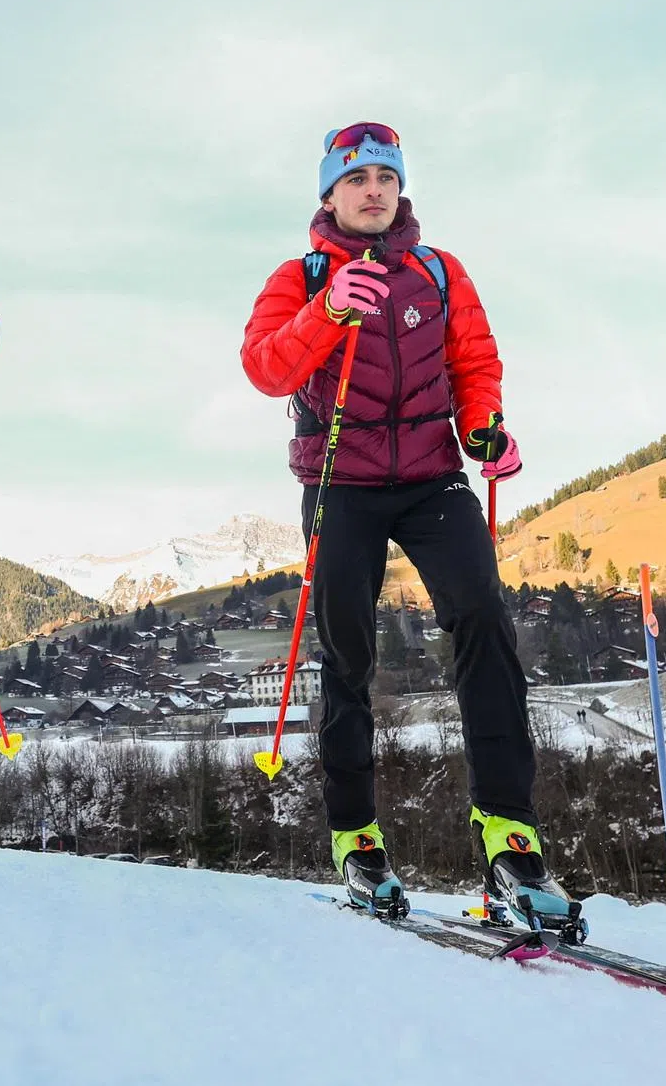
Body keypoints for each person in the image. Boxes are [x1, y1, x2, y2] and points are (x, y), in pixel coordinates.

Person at [241, 122, 577, 930]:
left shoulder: (437, 270)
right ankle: (358, 842)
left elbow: (474, 363)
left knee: (484, 623)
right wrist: (325, 312)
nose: (373, 190)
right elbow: (264, 366)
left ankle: (510, 840)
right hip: (340, 482)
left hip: (432, 478)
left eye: (386, 176)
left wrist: (487, 426)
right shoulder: (303, 275)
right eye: (355, 178)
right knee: (348, 651)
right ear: (329, 195)